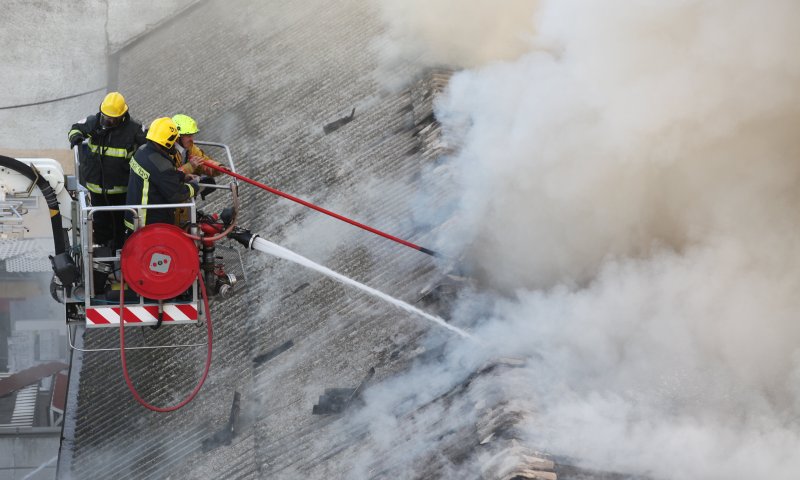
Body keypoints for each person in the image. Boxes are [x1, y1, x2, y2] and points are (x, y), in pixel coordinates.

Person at [68, 92, 146, 250]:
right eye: (105, 117)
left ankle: (121, 252)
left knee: (121, 225)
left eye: (112, 119)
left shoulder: (134, 130)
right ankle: (103, 252)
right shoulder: (94, 122)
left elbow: (149, 145)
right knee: (100, 224)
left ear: (122, 116)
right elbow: (75, 128)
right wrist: (76, 137)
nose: (107, 121)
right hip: (96, 188)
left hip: (121, 191)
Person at [124, 117, 199, 232]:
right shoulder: (161, 164)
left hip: (133, 219)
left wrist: (180, 176)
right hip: (149, 226)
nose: (175, 143)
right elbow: (177, 194)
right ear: (167, 142)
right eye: (174, 140)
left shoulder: (142, 151)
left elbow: (157, 177)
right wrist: (194, 186)